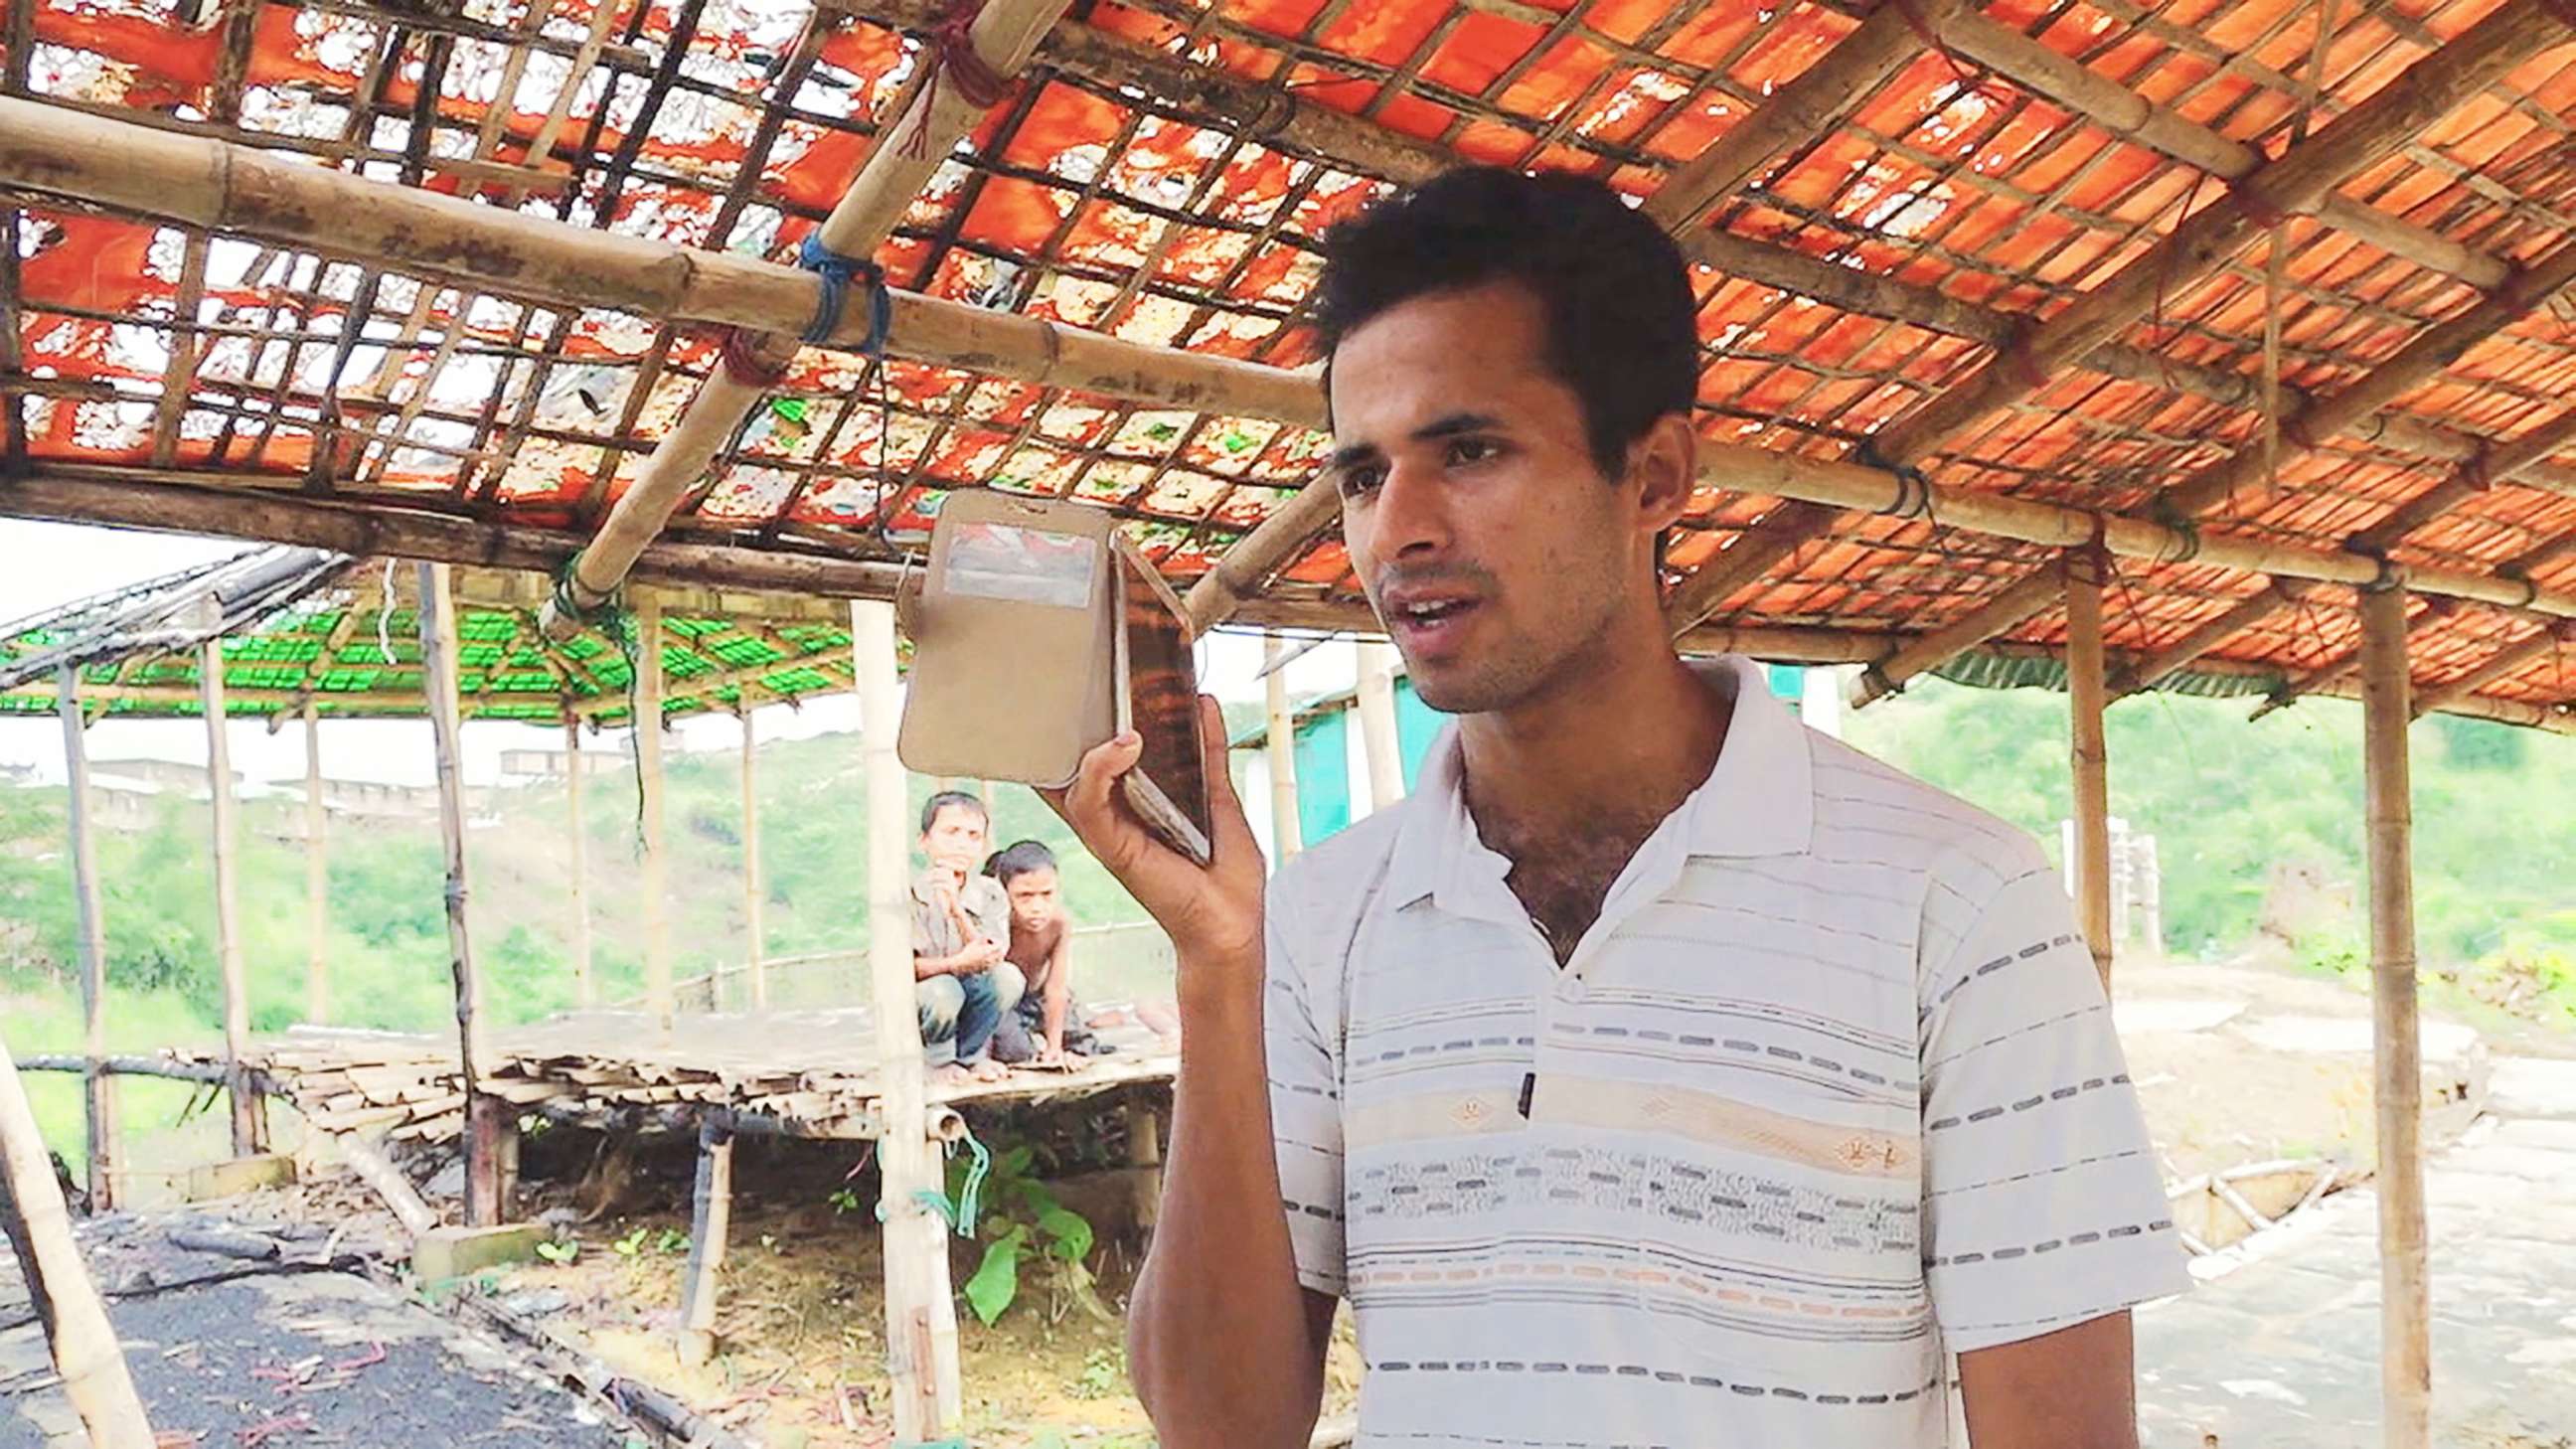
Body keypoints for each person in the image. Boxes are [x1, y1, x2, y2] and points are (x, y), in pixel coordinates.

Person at [1045, 166, 2189, 1449]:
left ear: (1653, 477)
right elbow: (1221, 1426)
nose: (1398, 531)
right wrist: (1220, 968)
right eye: (1364, 476)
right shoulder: (1318, 919)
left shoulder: (1955, 896)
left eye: (1469, 450)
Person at [911, 790, 1023, 1085]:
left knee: (1008, 978)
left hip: (971, 993)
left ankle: (970, 1056)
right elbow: (904, 969)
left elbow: (991, 957)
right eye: (951, 832)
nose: (962, 843)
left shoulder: (990, 891)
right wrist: (957, 963)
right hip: (923, 1001)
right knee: (945, 990)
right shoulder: (907, 894)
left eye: (973, 836)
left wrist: (956, 910)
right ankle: (937, 1062)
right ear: (924, 841)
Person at [982, 839, 1106, 1065]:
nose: (1037, 907)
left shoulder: (1059, 923)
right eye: (1025, 896)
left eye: (1046, 894)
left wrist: (1054, 1047)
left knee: (1085, 1046)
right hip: (1002, 1002)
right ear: (1004, 891)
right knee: (1016, 1051)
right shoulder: (995, 922)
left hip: (1037, 997)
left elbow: (1056, 989)